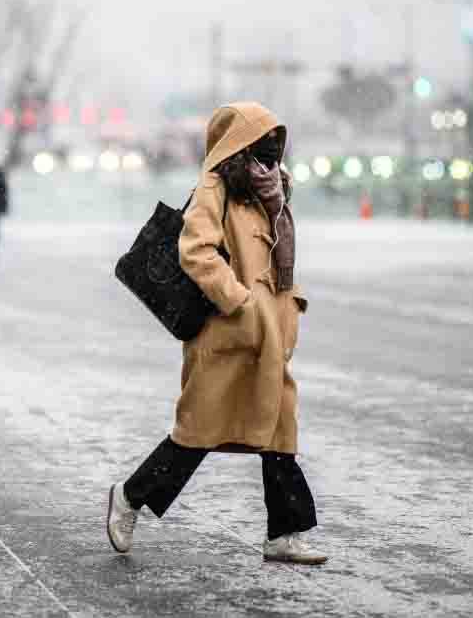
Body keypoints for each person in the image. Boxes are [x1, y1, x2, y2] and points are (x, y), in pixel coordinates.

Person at [106, 102, 327, 565]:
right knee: (196, 434)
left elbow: (279, 256)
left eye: (276, 141)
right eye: (262, 141)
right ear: (239, 143)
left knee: (279, 431)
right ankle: (129, 498)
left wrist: (281, 305)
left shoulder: (271, 191)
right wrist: (240, 302)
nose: (271, 152)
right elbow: (196, 250)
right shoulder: (216, 186)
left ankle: (283, 534)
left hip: (268, 336)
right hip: (226, 335)